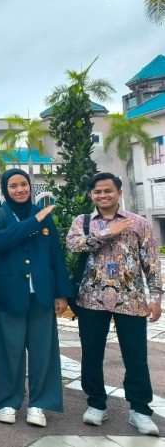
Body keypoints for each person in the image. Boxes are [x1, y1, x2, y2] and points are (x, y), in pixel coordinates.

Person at [66, 172, 162, 436]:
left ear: (119, 192)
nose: (103, 195)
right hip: (91, 299)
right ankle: (96, 404)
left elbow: (152, 263)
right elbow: (73, 245)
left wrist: (156, 299)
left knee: (136, 356)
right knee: (91, 354)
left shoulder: (139, 223)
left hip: (131, 300)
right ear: (91, 195)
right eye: (97, 191)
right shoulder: (83, 222)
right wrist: (109, 232)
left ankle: (140, 410)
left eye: (108, 191)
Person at [0, 169, 71, 428]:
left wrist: (61, 293)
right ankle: (7, 402)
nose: (20, 189)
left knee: (43, 351)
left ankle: (39, 404)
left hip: (42, 295)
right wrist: (34, 222)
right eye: (13, 186)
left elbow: (56, 254)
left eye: (24, 184)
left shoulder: (43, 216)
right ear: (5, 190)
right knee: (7, 352)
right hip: (8, 295)